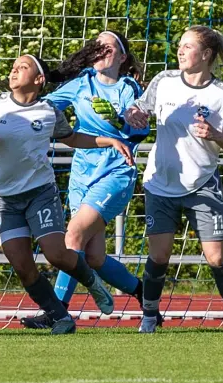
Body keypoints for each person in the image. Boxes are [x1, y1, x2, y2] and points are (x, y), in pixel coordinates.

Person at [0, 54, 136, 334]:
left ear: (39, 80)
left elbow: (73, 138)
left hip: (40, 193)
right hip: (1, 199)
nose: (14, 71)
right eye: (13, 67)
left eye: (22, 67)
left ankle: (91, 281)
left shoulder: (48, 110)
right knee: (23, 266)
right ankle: (60, 317)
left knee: (57, 254)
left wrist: (108, 140)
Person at [124, 27, 223, 333]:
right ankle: (149, 318)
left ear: (206, 55)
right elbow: (139, 109)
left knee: (216, 257)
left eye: (188, 47)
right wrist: (134, 114)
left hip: (202, 184)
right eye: (180, 46)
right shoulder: (164, 81)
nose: (180, 51)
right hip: (160, 184)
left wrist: (215, 135)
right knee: (159, 256)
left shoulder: (221, 94)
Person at [29, 30, 148, 327]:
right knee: (93, 257)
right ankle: (146, 293)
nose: (100, 51)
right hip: (82, 173)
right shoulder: (81, 84)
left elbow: (139, 130)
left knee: (73, 236)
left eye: (108, 48)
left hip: (116, 171)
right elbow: (44, 108)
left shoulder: (128, 87)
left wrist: (119, 120)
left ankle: (57, 312)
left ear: (121, 58)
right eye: (97, 46)